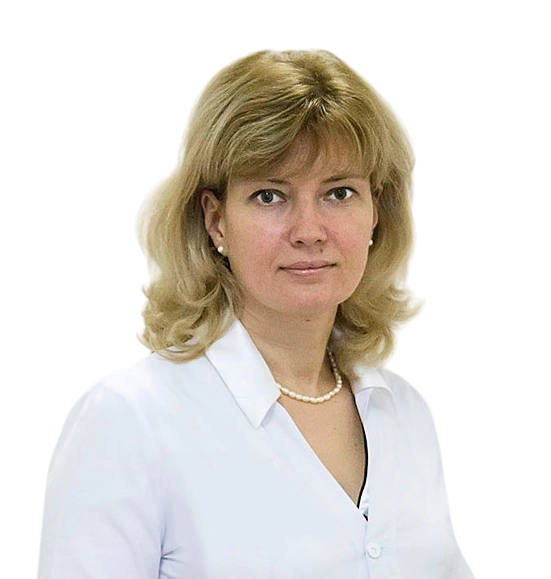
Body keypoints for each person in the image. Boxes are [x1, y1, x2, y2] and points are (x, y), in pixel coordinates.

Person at [38, 50, 475, 578]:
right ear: (216, 221)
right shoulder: (129, 422)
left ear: (376, 212)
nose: (309, 231)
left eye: (339, 193)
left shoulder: (403, 414)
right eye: (270, 196)